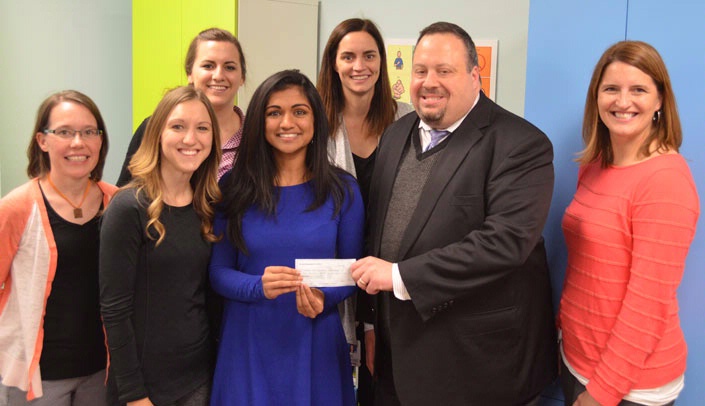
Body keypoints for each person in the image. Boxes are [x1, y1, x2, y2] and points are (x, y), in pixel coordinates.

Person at [350, 22, 557, 405]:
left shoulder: (520, 144)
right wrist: (369, 323)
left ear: (475, 76)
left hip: (477, 370)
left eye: (444, 71)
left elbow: (504, 244)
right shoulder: (396, 135)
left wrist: (397, 276)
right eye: (420, 70)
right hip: (396, 362)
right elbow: (377, 236)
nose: (430, 82)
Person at [209, 70, 364, 405]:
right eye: (274, 112)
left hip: (315, 339)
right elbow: (218, 272)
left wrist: (325, 296)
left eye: (299, 111)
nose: (287, 122)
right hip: (247, 342)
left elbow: (354, 270)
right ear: (260, 123)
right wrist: (257, 287)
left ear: (315, 121)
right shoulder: (233, 187)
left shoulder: (343, 190)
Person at [558, 41, 700, 406]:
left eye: (638, 89)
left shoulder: (666, 180)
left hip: (629, 386)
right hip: (576, 360)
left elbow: (648, 304)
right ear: (596, 98)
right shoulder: (594, 165)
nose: (623, 102)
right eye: (611, 89)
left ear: (659, 101)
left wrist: (602, 393)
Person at [100, 86, 221, 406]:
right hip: (144, 387)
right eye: (178, 126)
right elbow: (114, 311)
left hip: (198, 379)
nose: (190, 138)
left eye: (202, 128)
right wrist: (134, 394)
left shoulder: (208, 206)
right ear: (156, 133)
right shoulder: (128, 207)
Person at [316, 17, 414, 403]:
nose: (360, 66)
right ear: (333, 64)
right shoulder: (317, 124)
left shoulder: (407, 119)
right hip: (334, 268)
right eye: (349, 56)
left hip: (392, 270)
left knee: (382, 383)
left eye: (369, 55)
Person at [0, 90, 116, 405]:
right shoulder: (17, 207)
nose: (78, 142)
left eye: (89, 132)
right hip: (38, 377)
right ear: (42, 140)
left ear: (100, 140)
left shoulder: (118, 203)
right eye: (64, 132)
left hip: (101, 372)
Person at [117, 27, 246, 185]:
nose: (218, 75)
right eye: (208, 66)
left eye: (230, 67)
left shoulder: (257, 136)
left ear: (242, 77)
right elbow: (125, 192)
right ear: (189, 73)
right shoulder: (156, 127)